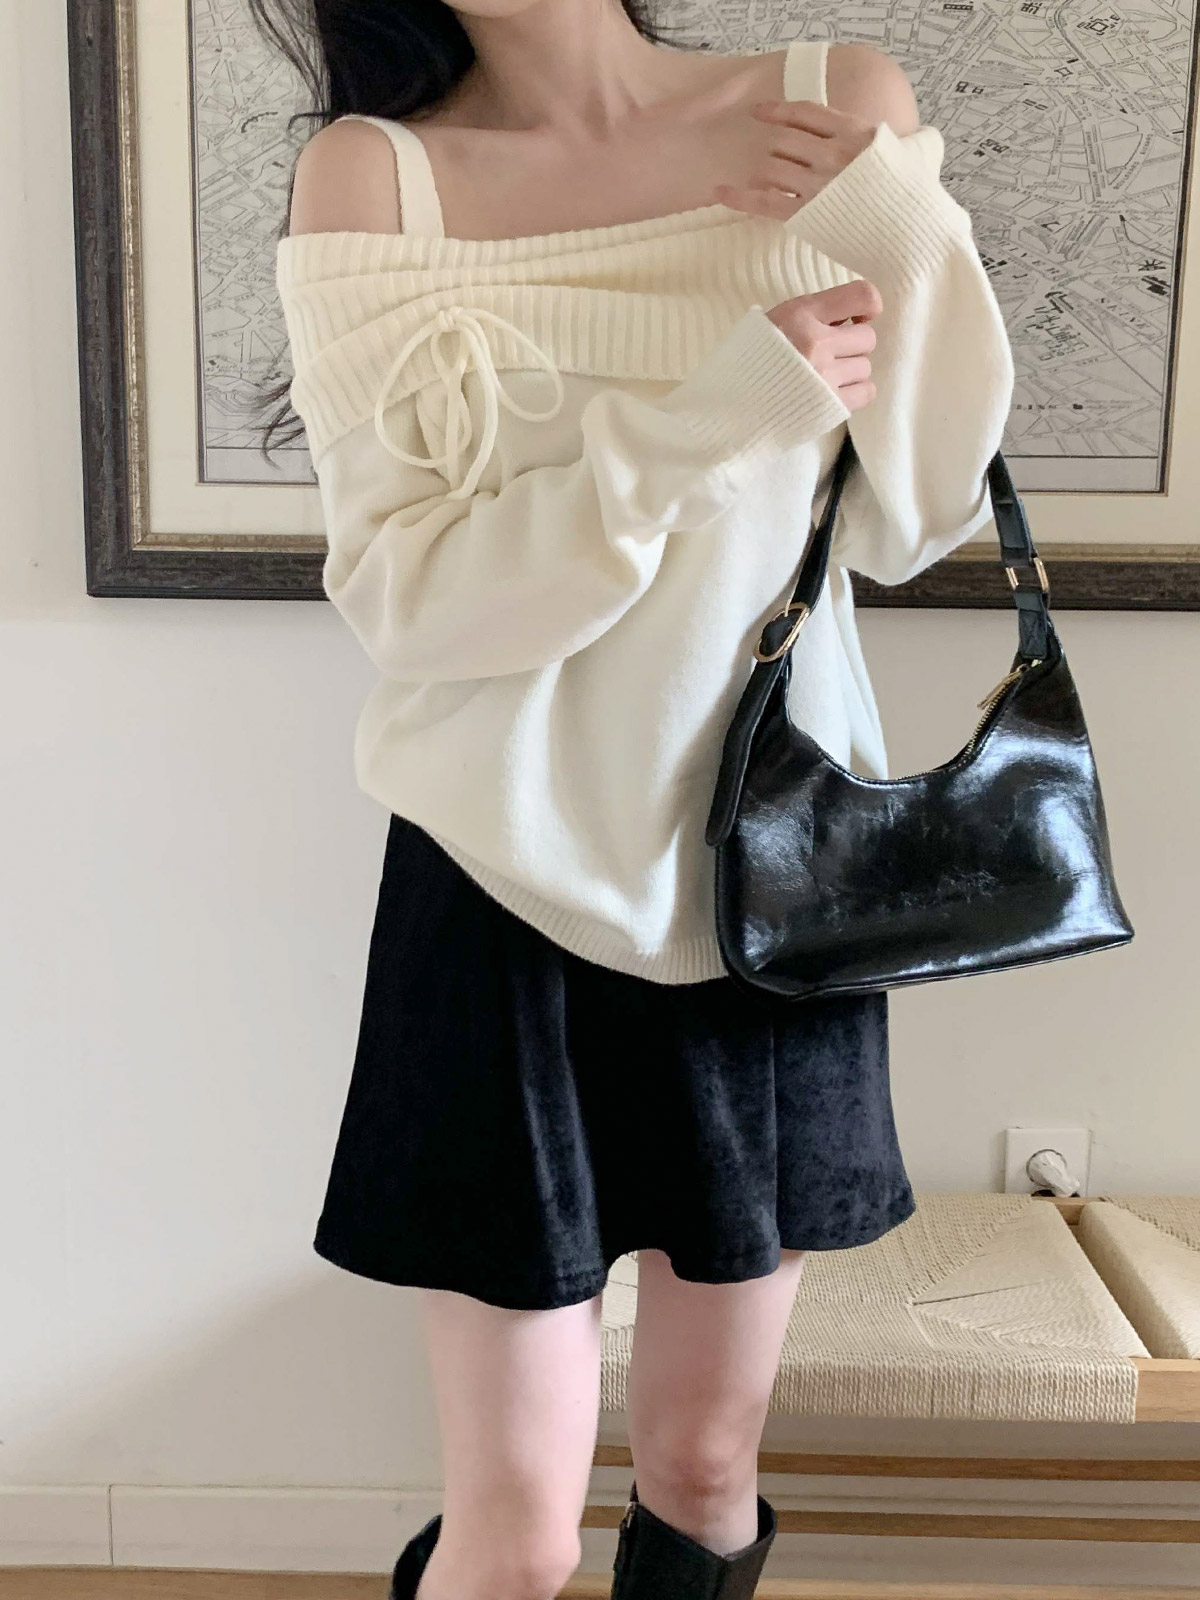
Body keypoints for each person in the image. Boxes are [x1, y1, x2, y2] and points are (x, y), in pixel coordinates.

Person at [259, 0, 1015, 1595]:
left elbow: (918, 517)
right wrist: (708, 423)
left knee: (703, 1465)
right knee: (517, 1539)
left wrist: (900, 227)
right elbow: (414, 605)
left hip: (772, 887)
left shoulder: (832, 104)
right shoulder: (376, 180)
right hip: (499, 887)